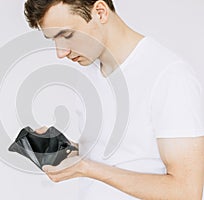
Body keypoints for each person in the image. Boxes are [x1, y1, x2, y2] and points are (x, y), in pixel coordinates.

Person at [24, 0, 204, 199]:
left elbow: (186, 192)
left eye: (67, 35)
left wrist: (86, 168)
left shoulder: (169, 76)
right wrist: (63, 148)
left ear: (100, 12)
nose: (61, 52)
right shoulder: (90, 71)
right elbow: (117, 156)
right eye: (54, 40)